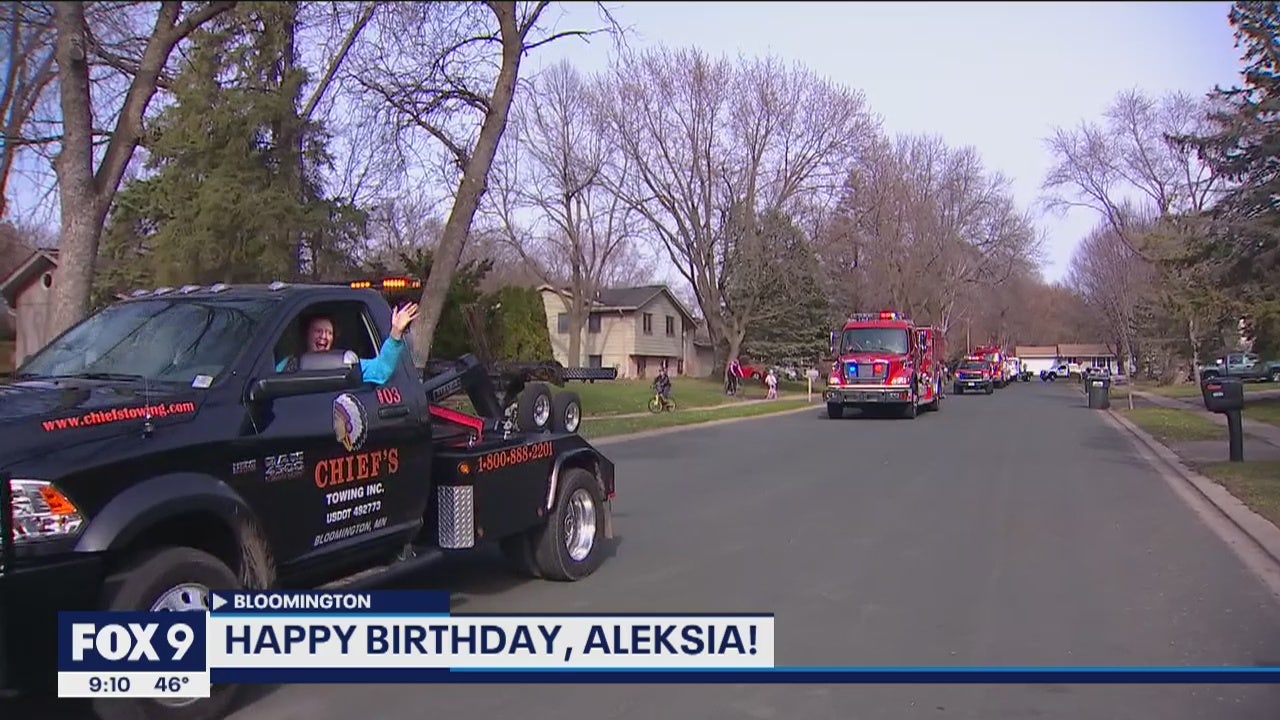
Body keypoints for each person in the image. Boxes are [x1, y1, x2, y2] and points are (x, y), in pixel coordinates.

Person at [276, 303, 419, 386]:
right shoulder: (288, 365)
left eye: (329, 333)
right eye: (318, 331)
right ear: (306, 335)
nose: (324, 337)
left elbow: (381, 369)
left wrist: (395, 333)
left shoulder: (345, 363)